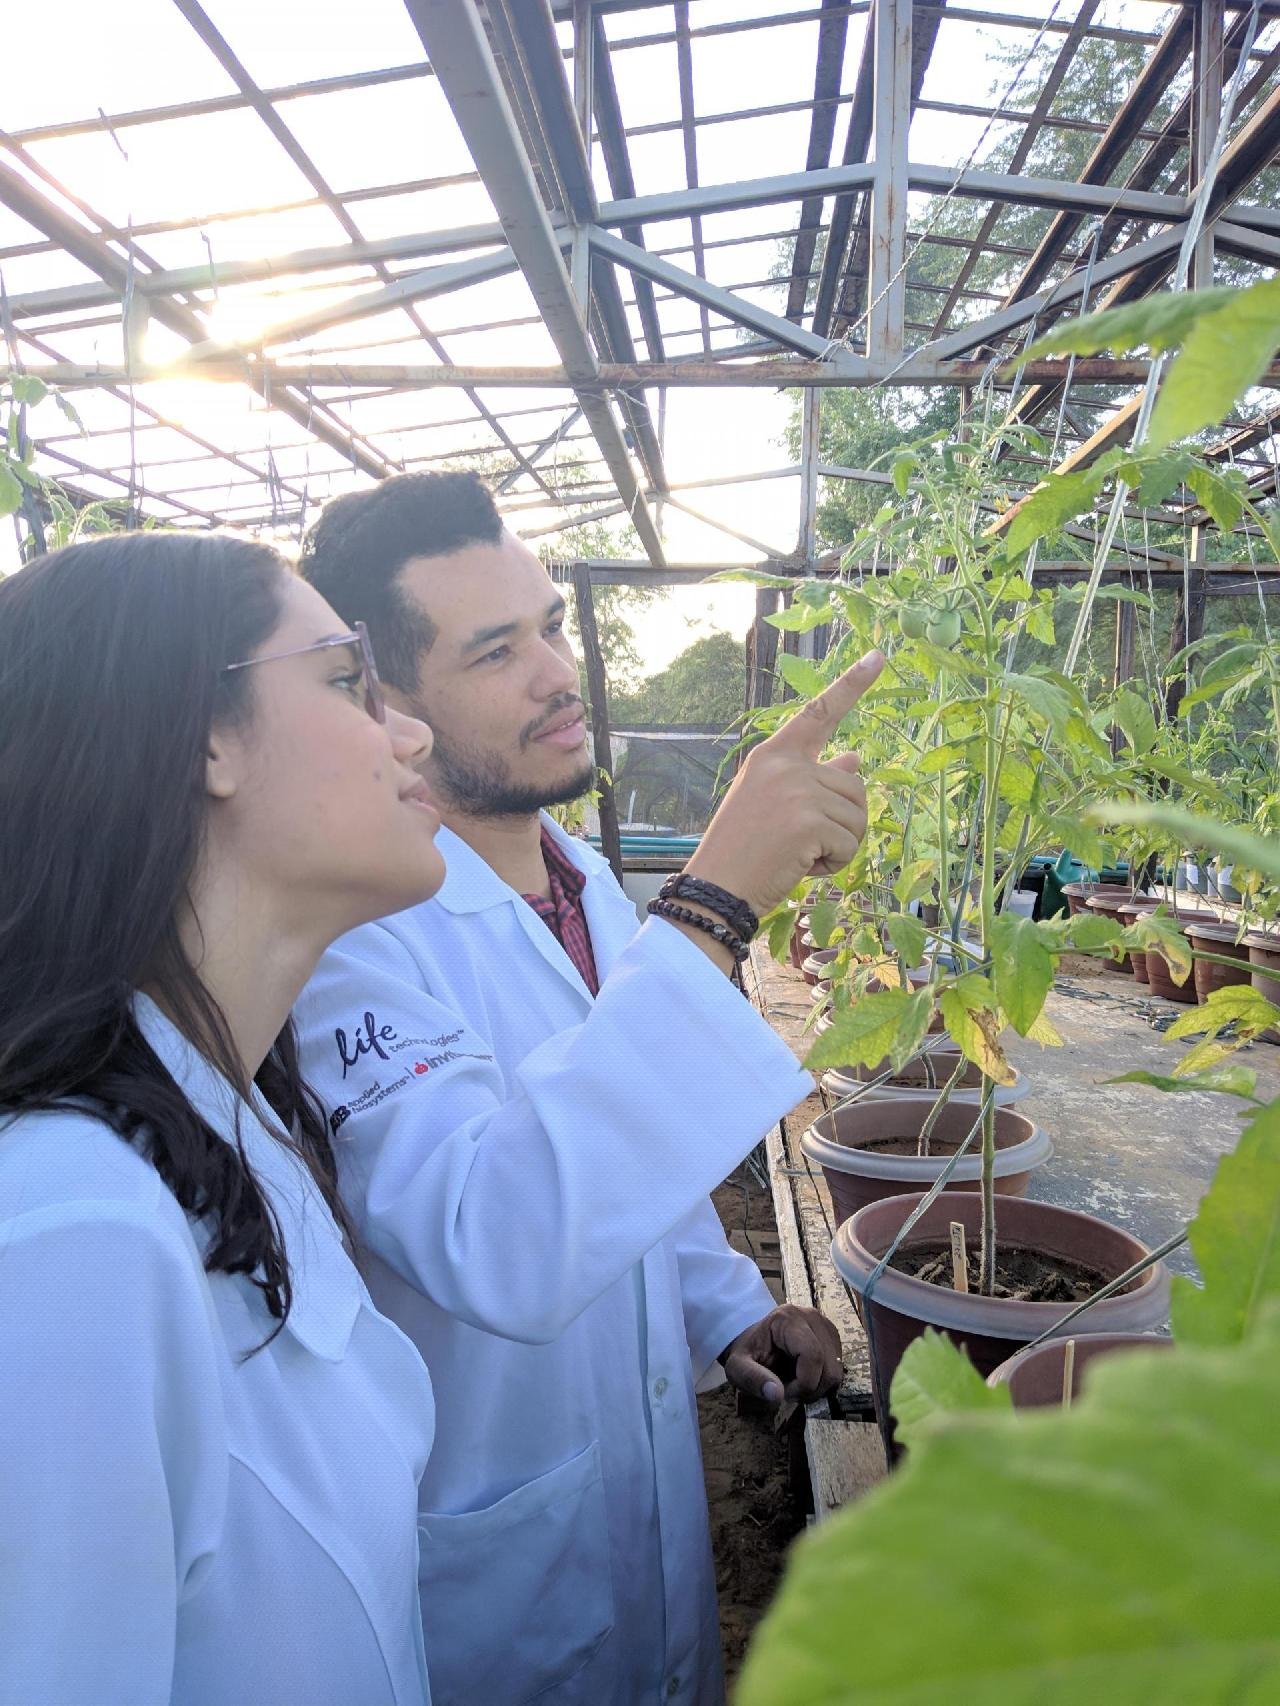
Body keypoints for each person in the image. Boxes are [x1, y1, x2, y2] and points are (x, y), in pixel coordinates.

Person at [295, 473, 883, 1706]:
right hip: (497, 1539)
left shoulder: (582, 886)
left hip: (626, 1476)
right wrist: (717, 903)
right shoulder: (354, 943)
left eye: (551, 623)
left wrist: (726, 1307)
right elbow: (492, 1231)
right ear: (386, 703)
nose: (557, 671)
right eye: (496, 650)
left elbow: (629, 1162)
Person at [0, 532, 447, 1706]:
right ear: (204, 735)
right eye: (348, 678)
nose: (410, 732)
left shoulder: (234, 1118)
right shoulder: (73, 1233)